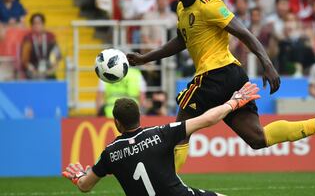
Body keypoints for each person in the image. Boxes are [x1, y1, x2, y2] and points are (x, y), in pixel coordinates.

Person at [127, 0, 315, 172]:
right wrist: (145, 58)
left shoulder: (211, 5)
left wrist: (267, 63)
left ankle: (166, 187)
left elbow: (244, 32)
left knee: (180, 131)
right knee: (257, 138)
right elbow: (181, 40)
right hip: (230, 77)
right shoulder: (181, 9)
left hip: (216, 74)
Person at [63, 83, 261, 195]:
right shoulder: (161, 133)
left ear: (117, 123)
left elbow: (85, 185)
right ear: (139, 116)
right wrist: (234, 102)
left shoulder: (110, 153)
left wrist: (79, 175)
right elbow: (207, 119)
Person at [20, 13, 61, 79]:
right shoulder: (28, 39)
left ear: (43, 24)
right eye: (34, 23)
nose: (37, 25)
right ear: (31, 26)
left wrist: (52, 68)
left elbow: (55, 53)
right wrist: (33, 70)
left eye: (39, 23)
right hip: (32, 73)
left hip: (49, 71)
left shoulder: (50, 37)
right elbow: (25, 59)